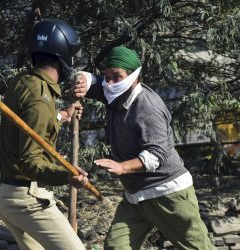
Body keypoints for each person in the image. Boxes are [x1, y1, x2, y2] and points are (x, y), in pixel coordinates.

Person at [74, 46, 215, 250]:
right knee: (116, 246)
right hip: (135, 198)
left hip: (168, 193)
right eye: (107, 76)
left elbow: (155, 155)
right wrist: (82, 79)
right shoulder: (114, 93)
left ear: (134, 76)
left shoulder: (147, 106)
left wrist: (122, 167)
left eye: (117, 76)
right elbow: (89, 80)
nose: (110, 82)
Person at [0, 19, 88, 250]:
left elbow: (28, 123)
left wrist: (62, 115)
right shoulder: (40, 99)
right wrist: (67, 175)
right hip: (26, 199)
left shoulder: (24, 82)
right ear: (62, 55)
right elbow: (30, 163)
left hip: (3, 192)